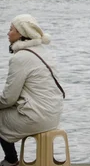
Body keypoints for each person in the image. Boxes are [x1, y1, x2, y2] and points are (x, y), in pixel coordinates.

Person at [0, 14, 64, 166]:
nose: (8, 33)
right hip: (53, 115)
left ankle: (11, 160)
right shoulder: (43, 52)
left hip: (36, 117)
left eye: (11, 29)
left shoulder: (20, 58)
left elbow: (9, 98)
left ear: (21, 33)